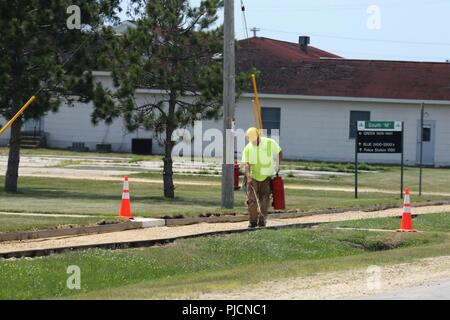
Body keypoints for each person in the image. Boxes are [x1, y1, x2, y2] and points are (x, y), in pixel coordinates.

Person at [241, 127, 282, 228]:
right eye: (252, 141)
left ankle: (262, 220)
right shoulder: (248, 148)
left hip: (266, 177)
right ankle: (252, 221)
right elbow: (247, 164)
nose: (254, 142)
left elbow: (279, 152)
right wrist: (248, 176)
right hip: (253, 176)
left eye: (255, 140)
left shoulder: (269, 143)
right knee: (252, 200)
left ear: (258, 136)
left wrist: (278, 165)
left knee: (264, 199)